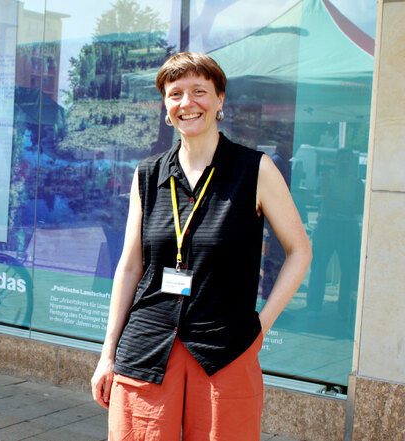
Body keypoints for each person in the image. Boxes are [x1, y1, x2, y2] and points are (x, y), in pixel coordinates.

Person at [90, 52, 312, 440]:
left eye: (199, 91)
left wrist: (261, 325)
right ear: (165, 105)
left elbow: (299, 251)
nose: (187, 103)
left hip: (224, 348)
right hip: (147, 346)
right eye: (175, 94)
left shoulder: (254, 170)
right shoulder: (147, 174)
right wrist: (107, 354)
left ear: (220, 99)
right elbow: (129, 266)